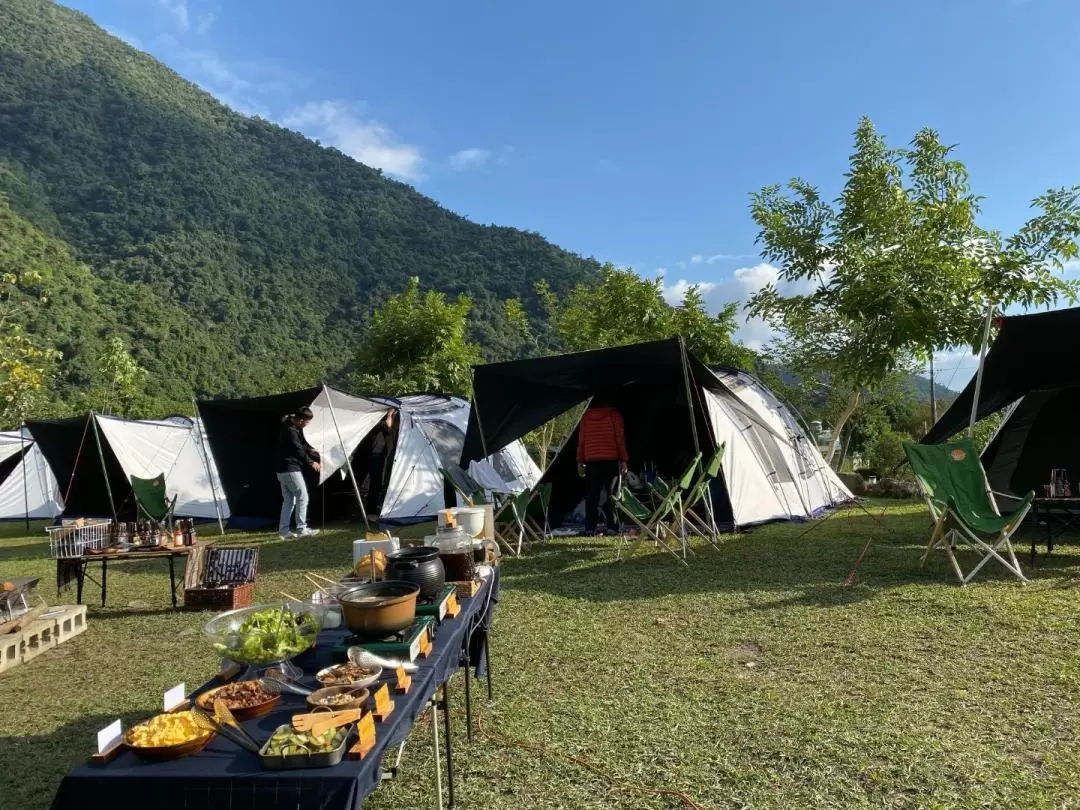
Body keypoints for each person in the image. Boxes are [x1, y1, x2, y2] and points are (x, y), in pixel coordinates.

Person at [576, 396, 629, 535]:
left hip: (592, 459)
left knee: (592, 495)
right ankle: (612, 526)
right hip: (610, 459)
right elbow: (619, 438)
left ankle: (589, 528)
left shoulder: (586, 416)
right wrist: (623, 459)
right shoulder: (614, 415)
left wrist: (580, 460)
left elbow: (582, 440)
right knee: (612, 494)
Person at [277, 406, 321, 539]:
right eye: (308, 422)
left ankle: (284, 532)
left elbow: (300, 445)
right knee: (303, 497)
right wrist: (311, 462)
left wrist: (310, 450)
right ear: (301, 420)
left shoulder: (290, 427)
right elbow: (297, 449)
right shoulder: (290, 430)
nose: (308, 424)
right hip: (290, 469)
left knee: (289, 501)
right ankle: (302, 529)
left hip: (282, 470)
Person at [363, 410, 396, 514]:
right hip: (375, 456)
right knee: (375, 485)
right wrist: (390, 414)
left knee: (377, 484)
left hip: (379, 456)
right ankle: (371, 512)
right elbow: (388, 425)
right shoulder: (376, 422)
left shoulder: (378, 424)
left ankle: (373, 509)